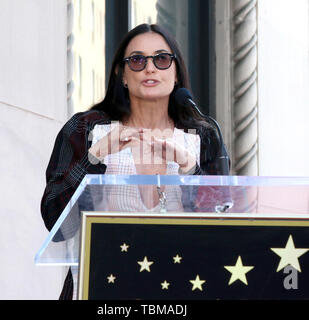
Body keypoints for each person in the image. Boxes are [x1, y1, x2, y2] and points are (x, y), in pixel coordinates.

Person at [40, 23, 229, 299]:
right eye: (138, 60)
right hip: (101, 289)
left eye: (162, 59)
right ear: (122, 75)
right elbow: (56, 222)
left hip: (181, 289)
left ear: (176, 73)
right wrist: (95, 157)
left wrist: (191, 171)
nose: (150, 68)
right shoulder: (85, 130)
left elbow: (224, 228)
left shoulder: (203, 134)